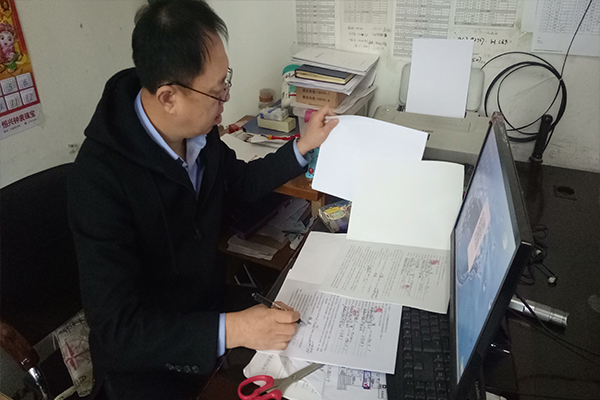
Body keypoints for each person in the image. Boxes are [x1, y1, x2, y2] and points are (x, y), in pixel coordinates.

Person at [67, 1, 338, 399]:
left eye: (225, 82)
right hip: (148, 360)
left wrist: (303, 146)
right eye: (217, 91)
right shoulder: (99, 179)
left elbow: (239, 183)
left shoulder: (197, 131)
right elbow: (118, 330)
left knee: (310, 325)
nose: (225, 100)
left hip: (208, 310)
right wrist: (235, 329)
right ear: (168, 97)